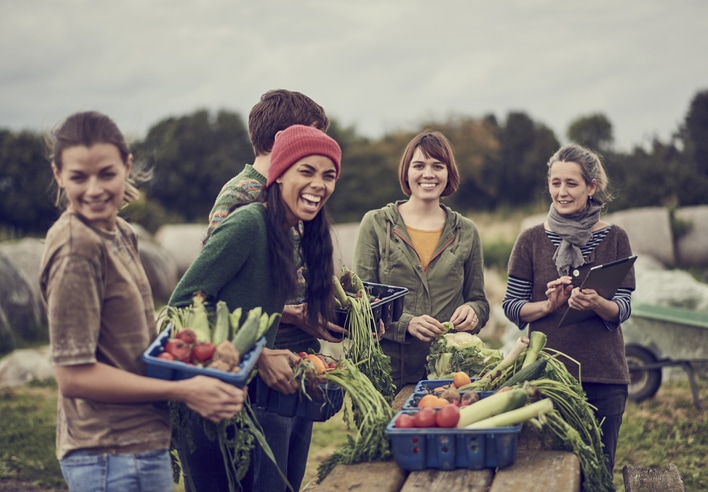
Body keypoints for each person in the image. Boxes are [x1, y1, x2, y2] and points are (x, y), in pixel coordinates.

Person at [38, 111, 245, 492]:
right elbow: (73, 376)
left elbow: (131, 348)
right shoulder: (75, 248)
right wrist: (183, 391)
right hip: (107, 454)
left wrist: (203, 371)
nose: (94, 189)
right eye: (78, 177)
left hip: (141, 444)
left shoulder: (121, 233)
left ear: (127, 166)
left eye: (107, 173)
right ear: (58, 175)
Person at [169, 124, 342, 492]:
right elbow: (184, 305)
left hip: (240, 394)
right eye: (306, 171)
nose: (319, 184)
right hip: (207, 396)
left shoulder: (296, 232)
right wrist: (258, 353)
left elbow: (245, 305)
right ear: (278, 175)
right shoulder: (248, 223)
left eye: (329, 175)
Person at [501, 143, 635, 475]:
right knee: (547, 476)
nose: (561, 192)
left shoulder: (615, 238)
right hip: (545, 380)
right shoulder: (530, 240)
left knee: (597, 474)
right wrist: (549, 305)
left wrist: (598, 303)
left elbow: (623, 307)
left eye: (571, 184)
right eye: (555, 183)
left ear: (592, 187)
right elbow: (512, 307)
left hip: (604, 378)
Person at [207, 88, 345, 349]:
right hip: (262, 352)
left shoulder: (296, 193)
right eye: (312, 137)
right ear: (283, 139)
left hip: (301, 348)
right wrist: (291, 315)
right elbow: (222, 293)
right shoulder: (238, 195)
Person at [353, 130, 490, 390]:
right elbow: (361, 302)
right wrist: (407, 324)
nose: (428, 174)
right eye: (419, 165)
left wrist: (474, 313)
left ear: (448, 173)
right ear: (406, 171)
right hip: (387, 371)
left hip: (448, 375)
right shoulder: (376, 223)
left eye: (437, 166)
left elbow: (479, 301)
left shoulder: (467, 231)